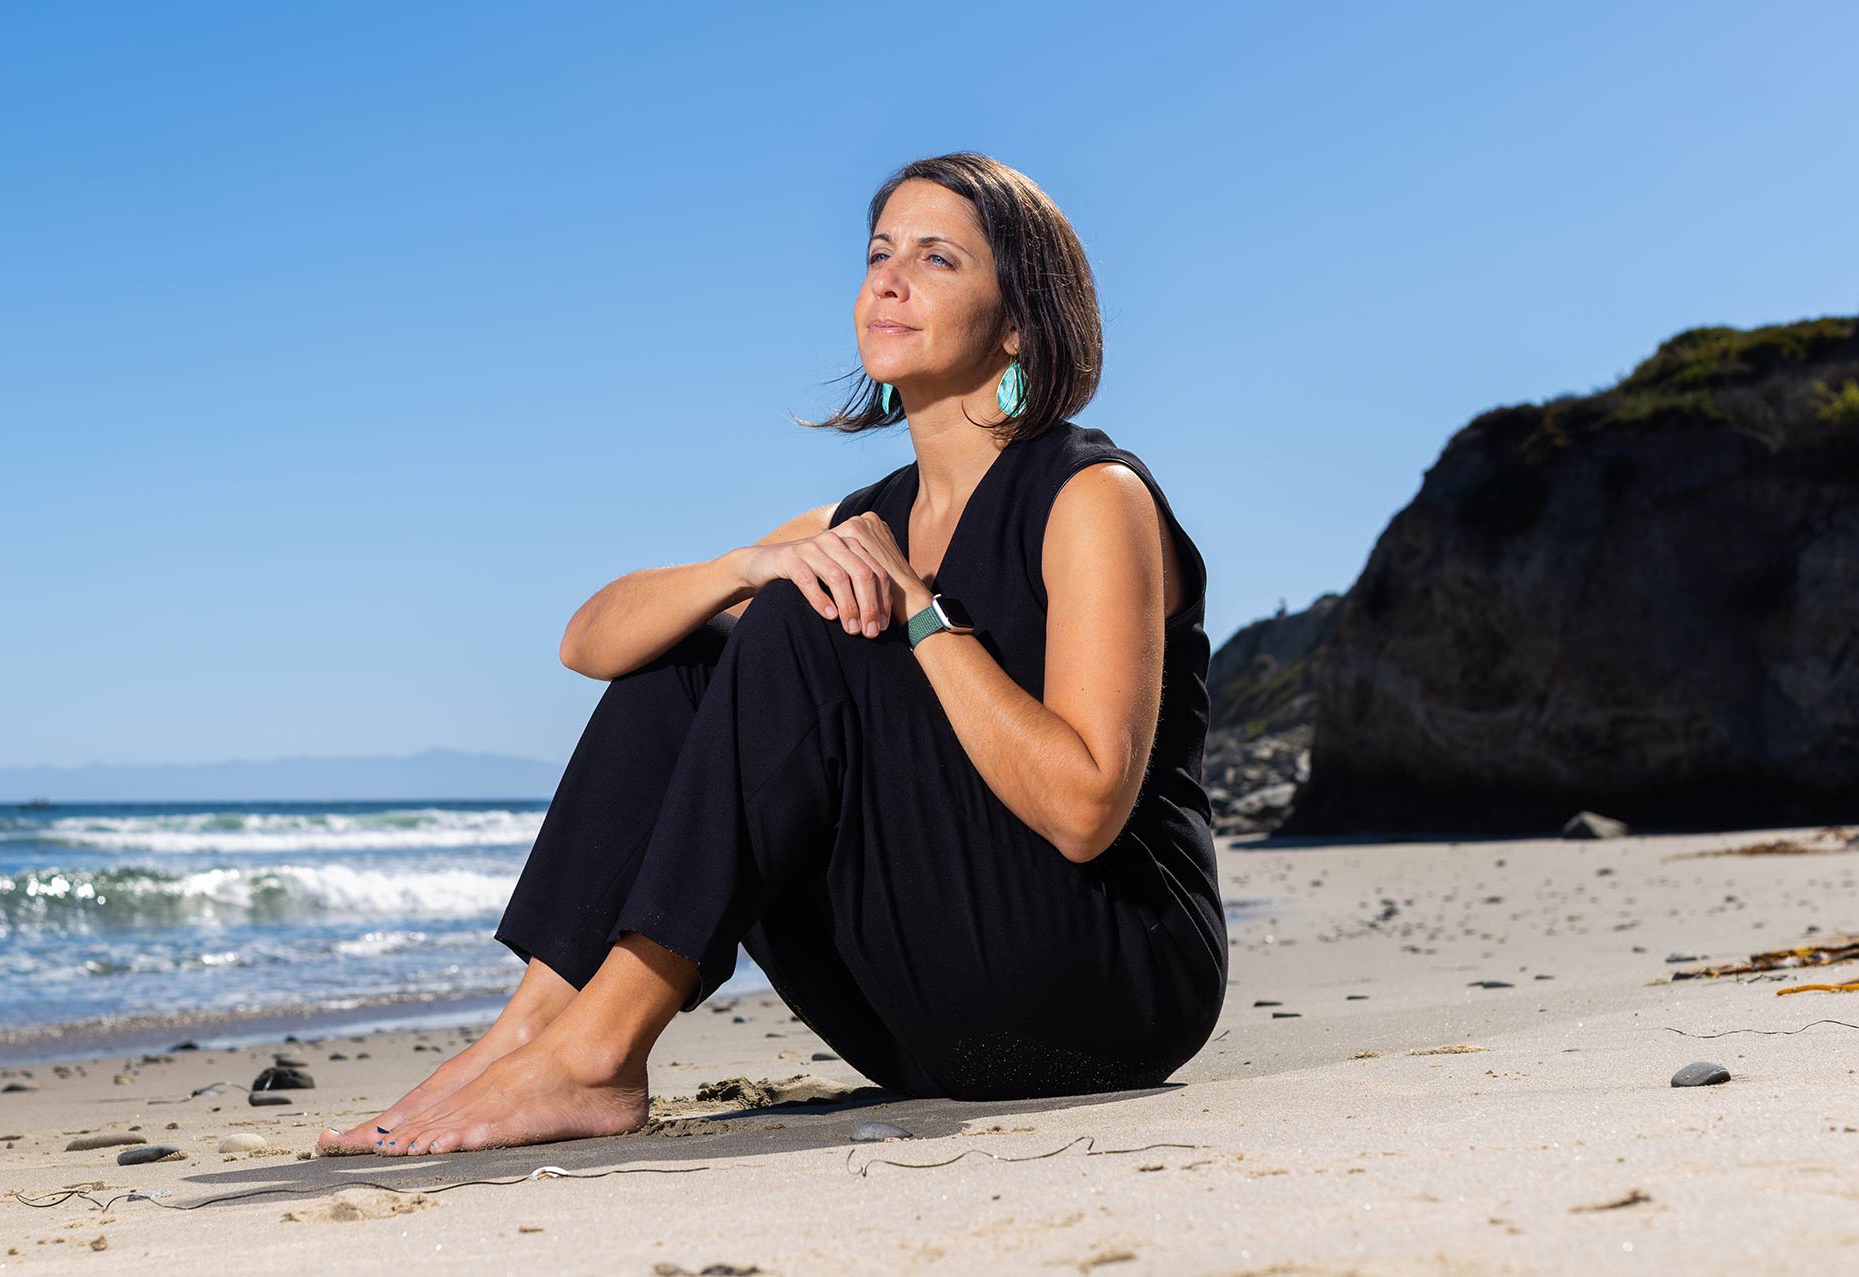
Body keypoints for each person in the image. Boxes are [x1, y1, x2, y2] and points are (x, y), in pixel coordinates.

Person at [319, 152, 1225, 1159]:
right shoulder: (859, 520)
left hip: (1106, 983)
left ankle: (598, 1052)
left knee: (806, 614)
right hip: (925, 1008)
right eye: (880, 252)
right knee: (699, 645)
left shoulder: (1091, 497)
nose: (888, 280)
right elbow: (589, 641)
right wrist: (748, 563)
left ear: (1017, 320)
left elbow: (1087, 806)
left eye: (937, 259)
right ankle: (530, 1031)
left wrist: (921, 610)